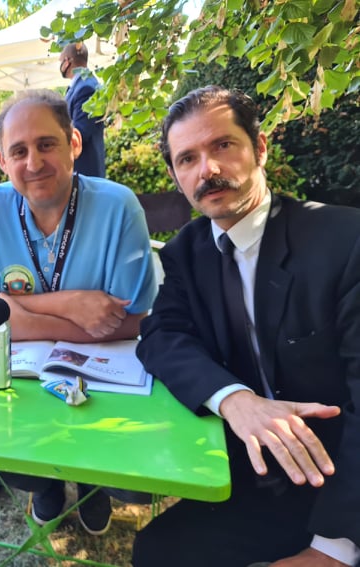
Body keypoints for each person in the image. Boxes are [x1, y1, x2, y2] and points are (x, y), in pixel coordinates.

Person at [134, 86, 360, 567]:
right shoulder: (187, 252)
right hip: (262, 478)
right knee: (156, 552)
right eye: (188, 158)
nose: (208, 169)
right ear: (175, 176)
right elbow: (161, 335)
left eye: (223, 145)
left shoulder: (344, 242)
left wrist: (336, 548)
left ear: (259, 148)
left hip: (344, 480)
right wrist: (235, 400)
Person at [0, 89, 157, 535]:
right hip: (22, 379)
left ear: (74, 144)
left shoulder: (119, 206)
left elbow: (134, 318)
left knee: (133, 485)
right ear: (2, 160)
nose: (34, 162)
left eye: (46, 144)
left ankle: (90, 485)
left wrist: (20, 315)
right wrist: (73, 304)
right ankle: (45, 486)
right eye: (19, 151)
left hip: (103, 379)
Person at [59, 42, 106, 178]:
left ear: (67, 61)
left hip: (84, 171)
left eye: (61, 61)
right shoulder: (82, 85)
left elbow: (80, 132)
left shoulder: (86, 88)